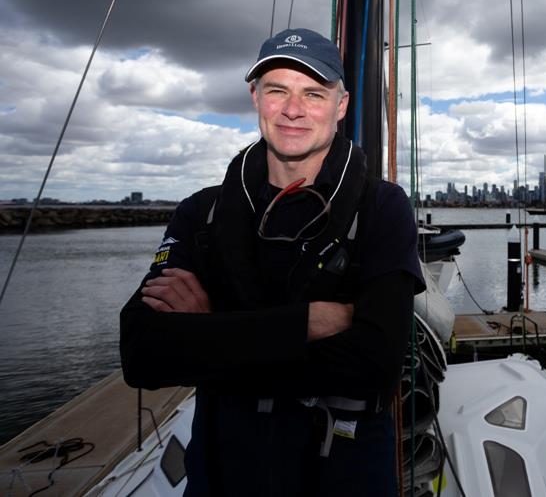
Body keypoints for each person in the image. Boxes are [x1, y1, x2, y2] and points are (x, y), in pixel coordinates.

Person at [120, 27, 425, 496]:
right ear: (255, 97)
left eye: (314, 94)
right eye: (277, 90)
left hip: (345, 469)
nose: (293, 110)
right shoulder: (202, 212)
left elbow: (377, 363)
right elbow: (141, 351)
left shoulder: (382, 208)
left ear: (340, 106)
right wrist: (307, 322)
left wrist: (211, 331)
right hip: (225, 465)